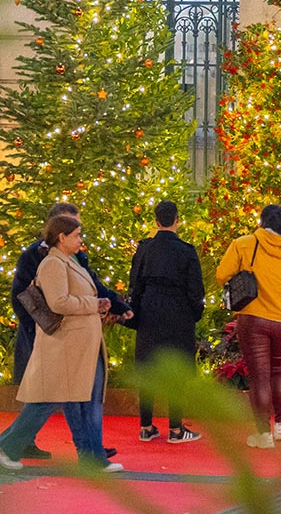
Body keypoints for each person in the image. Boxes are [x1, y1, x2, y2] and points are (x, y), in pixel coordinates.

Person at [0, 214, 123, 473]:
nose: (80, 240)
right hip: (66, 346)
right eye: (76, 235)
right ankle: (8, 447)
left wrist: (98, 306)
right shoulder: (53, 264)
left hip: (78, 346)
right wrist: (94, 304)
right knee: (45, 402)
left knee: (84, 401)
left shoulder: (67, 261)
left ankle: (92, 458)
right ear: (61, 237)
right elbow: (58, 302)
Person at [215, 204, 281, 449]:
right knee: (279, 370)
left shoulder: (245, 244)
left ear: (263, 221)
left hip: (253, 318)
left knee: (259, 378)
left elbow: (221, 274)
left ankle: (263, 434)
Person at [129, 199, 205, 444]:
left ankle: (146, 426)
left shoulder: (144, 249)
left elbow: (135, 284)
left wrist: (136, 311)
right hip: (178, 312)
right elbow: (196, 290)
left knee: (148, 370)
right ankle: (175, 429)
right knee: (176, 371)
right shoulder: (186, 251)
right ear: (177, 220)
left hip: (149, 309)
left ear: (155, 221)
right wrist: (195, 313)